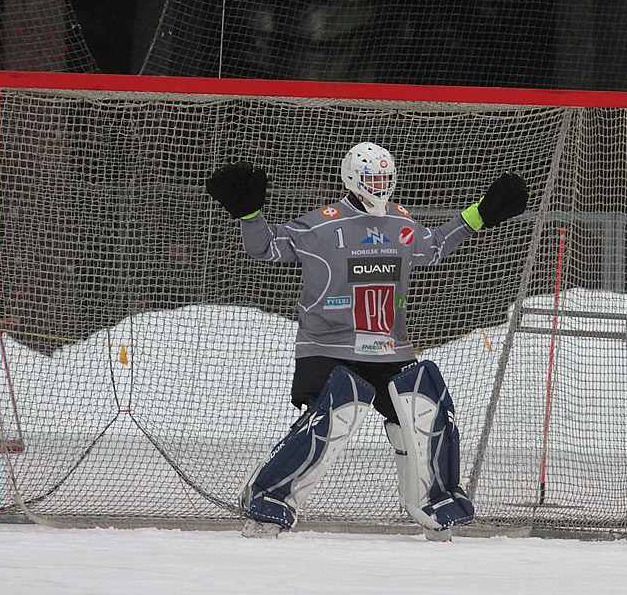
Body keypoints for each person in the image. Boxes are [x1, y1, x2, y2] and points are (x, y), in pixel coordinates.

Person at [206, 142, 529, 539]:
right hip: (328, 346)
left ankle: (436, 502)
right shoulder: (321, 225)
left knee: (424, 410)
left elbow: (435, 246)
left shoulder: (402, 223)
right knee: (332, 418)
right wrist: (250, 215)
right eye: (372, 178)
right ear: (351, 180)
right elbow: (265, 247)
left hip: (390, 348)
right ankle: (269, 499)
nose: (379, 186)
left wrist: (480, 214)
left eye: (385, 179)